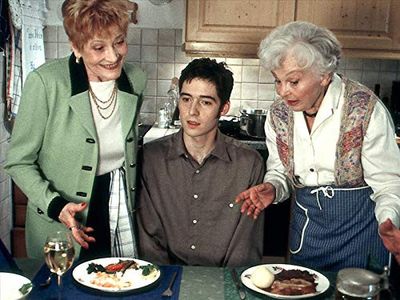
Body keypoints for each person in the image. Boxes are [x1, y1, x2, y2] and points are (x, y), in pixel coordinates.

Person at [235, 21, 400, 271]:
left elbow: (388, 183)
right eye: (277, 81)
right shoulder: (279, 115)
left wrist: (389, 221)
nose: (283, 91)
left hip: (362, 233)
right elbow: (280, 171)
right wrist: (273, 187)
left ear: (324, 75)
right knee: (302, 288)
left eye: (293, 81)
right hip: (308, 234)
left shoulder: (364, 109)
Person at [4, 0, 146, 260]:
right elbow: (18, 162)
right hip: (62, 216)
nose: (113, 56)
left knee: (117, 284)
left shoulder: (135, 80)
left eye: (119, 42)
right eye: (98, 47)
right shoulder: (46, 83)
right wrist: (56, 206)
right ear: (76, 47)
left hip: (117, 208)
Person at [136, 58, 265, 267]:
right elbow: (149, 237)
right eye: (186, 99)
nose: (192, 111)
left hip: (225, 283)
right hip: (164, 280)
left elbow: (244, 246)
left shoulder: (249, 163)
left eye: (205, 102)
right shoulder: (151, 157)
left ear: (224, 108)